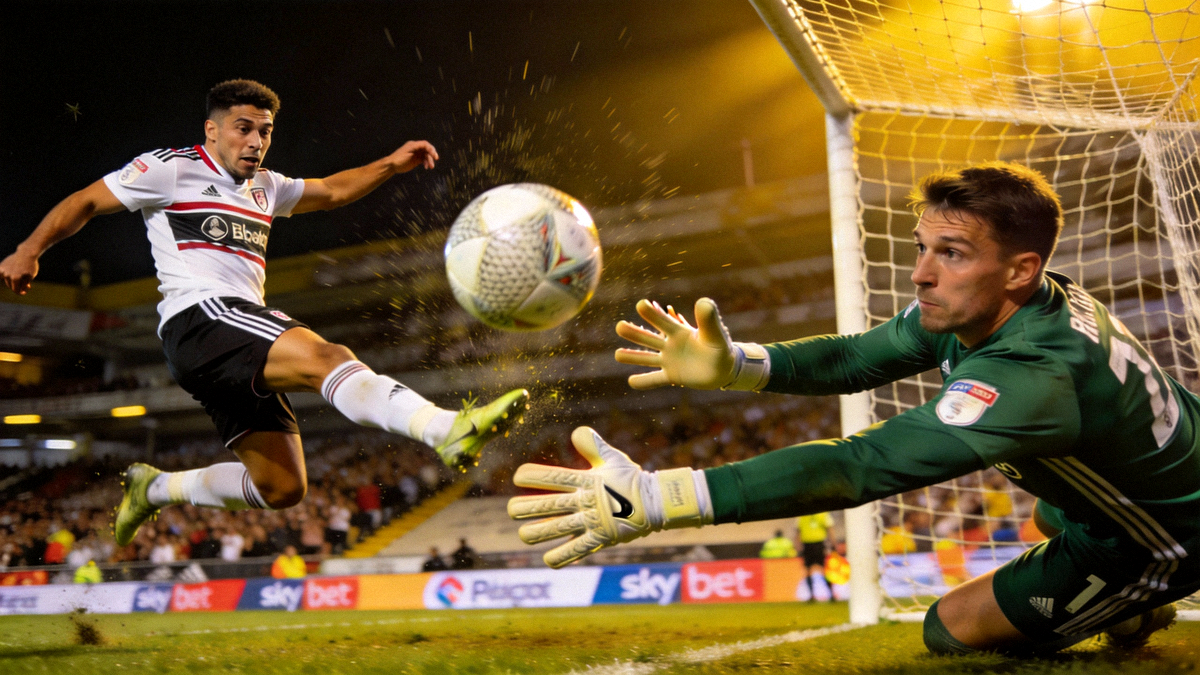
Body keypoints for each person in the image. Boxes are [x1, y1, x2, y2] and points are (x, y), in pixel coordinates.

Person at [508, 162, 1199, 654]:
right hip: (1162, 470)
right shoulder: (1012, 301)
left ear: (1020, 268)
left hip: (1172, 531)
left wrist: (665, 496)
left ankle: (1144, 593)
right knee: (1050, 505)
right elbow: (855, 358)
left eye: (951, 254)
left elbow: (863, 465)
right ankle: (1118, 582)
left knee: (948, 628)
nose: (921, 273)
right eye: (923, 247)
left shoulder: (1033, 375)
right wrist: (740, 364)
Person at [0, 79, 529, 549]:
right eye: (243, 128)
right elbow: (86, 201)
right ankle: (443, 428)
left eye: (266, 131)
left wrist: (392, 164)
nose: (255, 141)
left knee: (281, 488)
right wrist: (31, 249)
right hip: (201, 318)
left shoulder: (267, 186)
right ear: (212, 130)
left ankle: (158, 487)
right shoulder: (170, 169)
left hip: (227, 341)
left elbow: (331, 190)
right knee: (328, 357)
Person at [796, 513, 834, 602]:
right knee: (821, 569)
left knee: (809, 570)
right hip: (816, 544)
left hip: (811, 544)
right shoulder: (823, 514)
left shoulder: (802, 515)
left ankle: (814, 595)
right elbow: (830, 529)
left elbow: (798, 532)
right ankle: (829, 595)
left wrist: (798, 545)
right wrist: (833, 543)